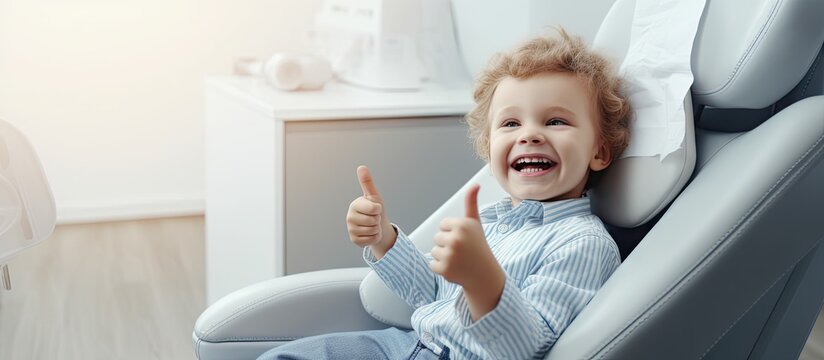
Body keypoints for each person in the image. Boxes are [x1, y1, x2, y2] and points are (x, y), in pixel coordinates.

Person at [257, 27, 631, 360]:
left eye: (555, 121)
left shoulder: (583, 245)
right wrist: (383, 238)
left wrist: (482, 280)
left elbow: (525, 347)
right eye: (511, 123)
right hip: (406, 343)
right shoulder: (492, 219)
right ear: (488, 146)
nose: (529, 134)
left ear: (599, 151)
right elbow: (432, 294)